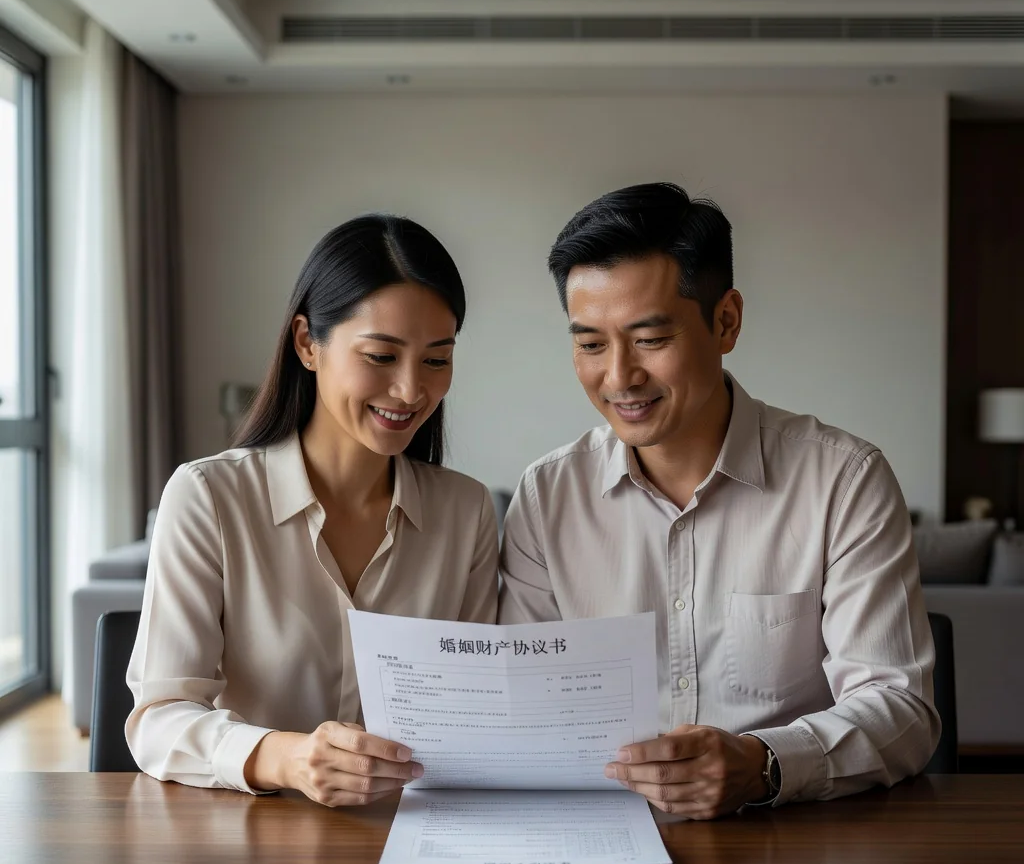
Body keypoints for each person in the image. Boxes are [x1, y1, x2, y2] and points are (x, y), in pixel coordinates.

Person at [499, 182, 939, 819]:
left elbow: (902, 710)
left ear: (726, 321)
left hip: (791, 848)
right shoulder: (548, 496)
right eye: (591, 344)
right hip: (599, 852)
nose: (618, 377)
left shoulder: (844, 480)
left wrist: (763, 763)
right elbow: (526, 705)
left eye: (650, 339)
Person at [127, 215, 498, 806]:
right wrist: (288, 758)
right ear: (307, 343)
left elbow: (478, 709)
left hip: (418, 840)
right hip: (252, 845)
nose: (410, 391)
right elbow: (158, 721)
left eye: (435, 360)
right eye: (381, 356)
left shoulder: (466, 511)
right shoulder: (209, 498)